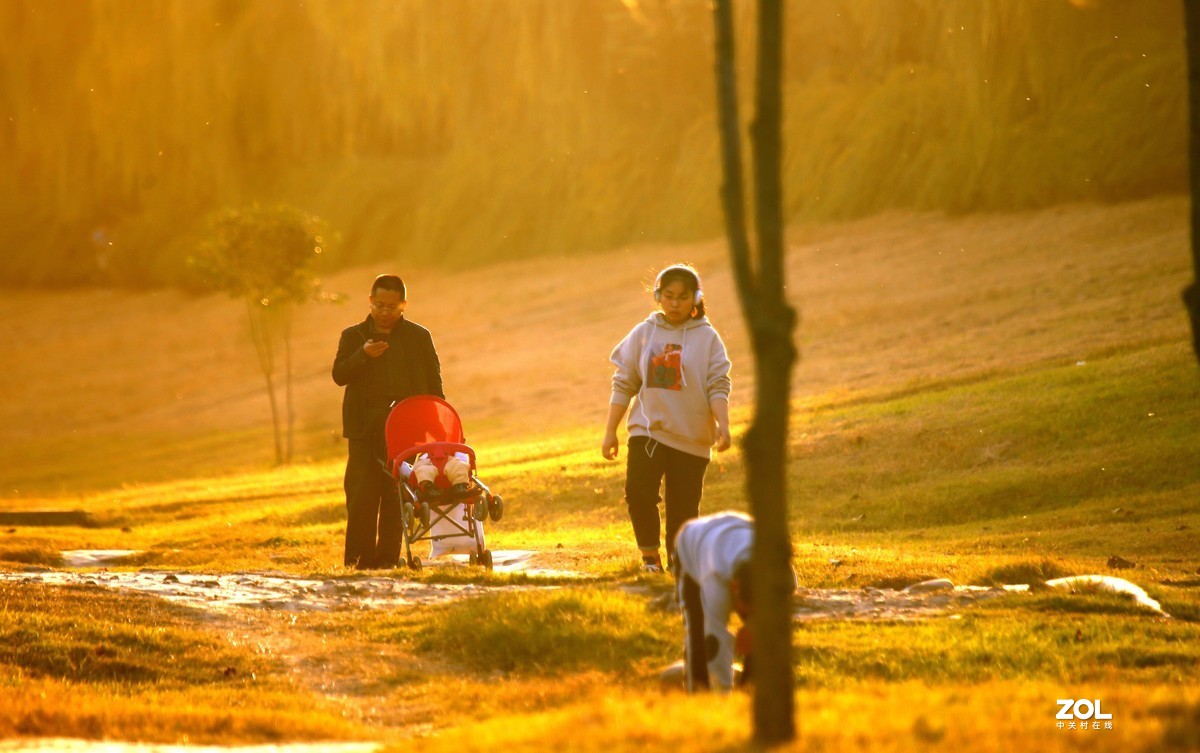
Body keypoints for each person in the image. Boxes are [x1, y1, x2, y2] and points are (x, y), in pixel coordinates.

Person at [602, 264, 733, 573]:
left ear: (696, 299)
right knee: (638, 493)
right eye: (669, 296)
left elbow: (718, 383)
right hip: (648, 430)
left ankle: (679, 565)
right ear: (658, 297)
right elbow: (624, 382)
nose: (675, 303)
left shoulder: (708, 339)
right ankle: (650, 559)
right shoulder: (644, 333)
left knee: (683, 510)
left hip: (692, 438)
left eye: (683, 297)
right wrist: (611, 430)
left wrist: (723, 424)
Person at [332, 274, 443, 569]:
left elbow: (434, 383)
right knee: (361, 496)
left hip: (405, 430)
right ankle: (358, 561)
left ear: (403, 305)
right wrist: (363, 355)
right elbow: (339, 375)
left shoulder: (419, 337)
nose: (384, 311)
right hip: (363, 429)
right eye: (379, 304)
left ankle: (387, 560)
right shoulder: (353, 336)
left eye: (392, 307)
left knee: (396, 496)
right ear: (370, 301)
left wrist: (438, 429)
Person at [672, 511, 757, 693]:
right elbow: (714, 639)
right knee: (698, 631)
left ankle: (751, 689)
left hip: (738, 532)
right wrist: (722, 693)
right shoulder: (714, 582)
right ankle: (700, 692)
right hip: (692, 543)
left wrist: (753, 626)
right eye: (746, 609)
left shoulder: (783, 577)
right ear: (734, 587)